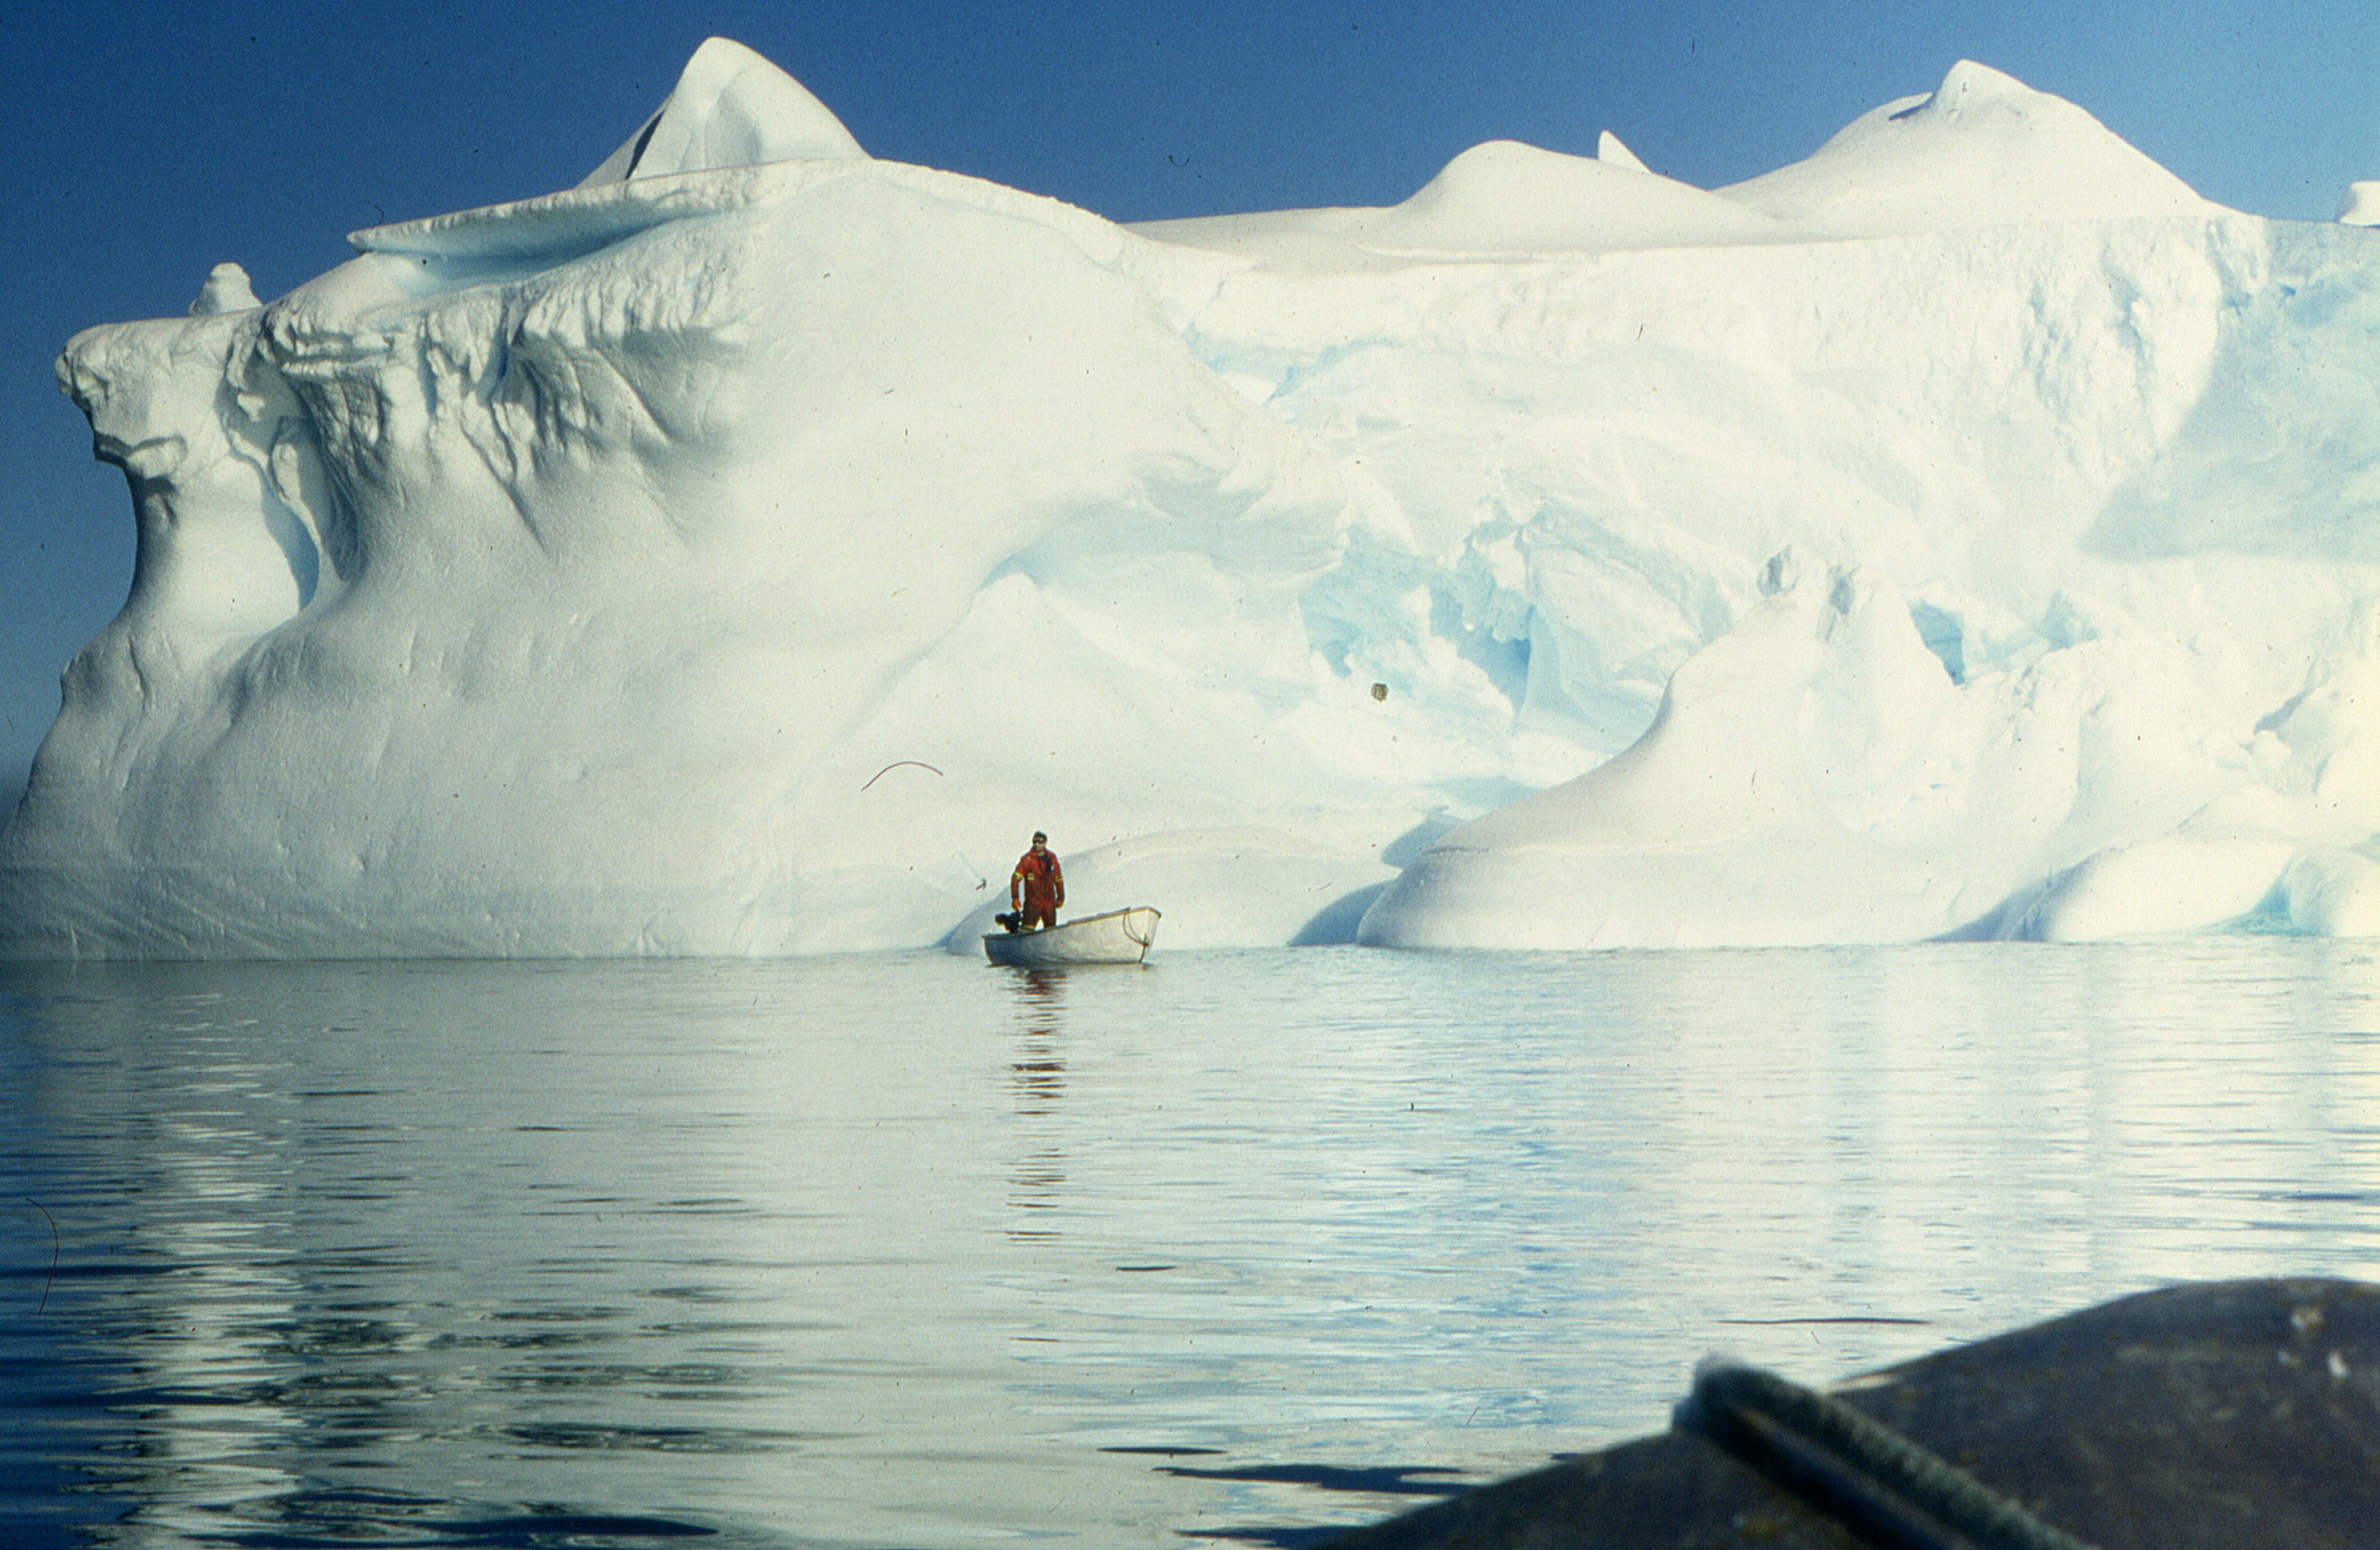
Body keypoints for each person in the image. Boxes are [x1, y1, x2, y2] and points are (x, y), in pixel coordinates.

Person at [1010, 831, 1064, 930]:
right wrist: (1015, 898)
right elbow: (1015, 879)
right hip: (1033, 902)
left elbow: (1058, 879)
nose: (1037, 844)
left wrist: (1061, 897)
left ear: (1045, 843)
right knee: (1027, 930)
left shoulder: (1052, 858)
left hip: (1049, 902)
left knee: (1051, 931)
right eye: (1035, 841)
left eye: (1040, 841)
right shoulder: (1027, 860)